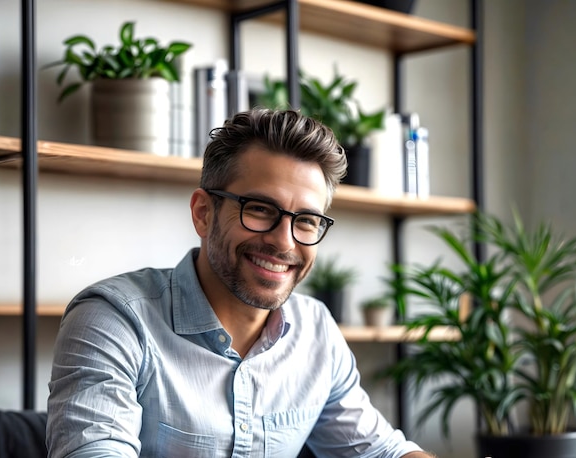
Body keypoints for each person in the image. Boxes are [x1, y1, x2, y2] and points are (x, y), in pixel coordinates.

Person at [47, 109, 436, 458]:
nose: (285, 242)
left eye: (306, 220)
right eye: (261, 209)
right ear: (203, 213)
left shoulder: (316, 329)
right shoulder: (114, 320)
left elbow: (380, 450)